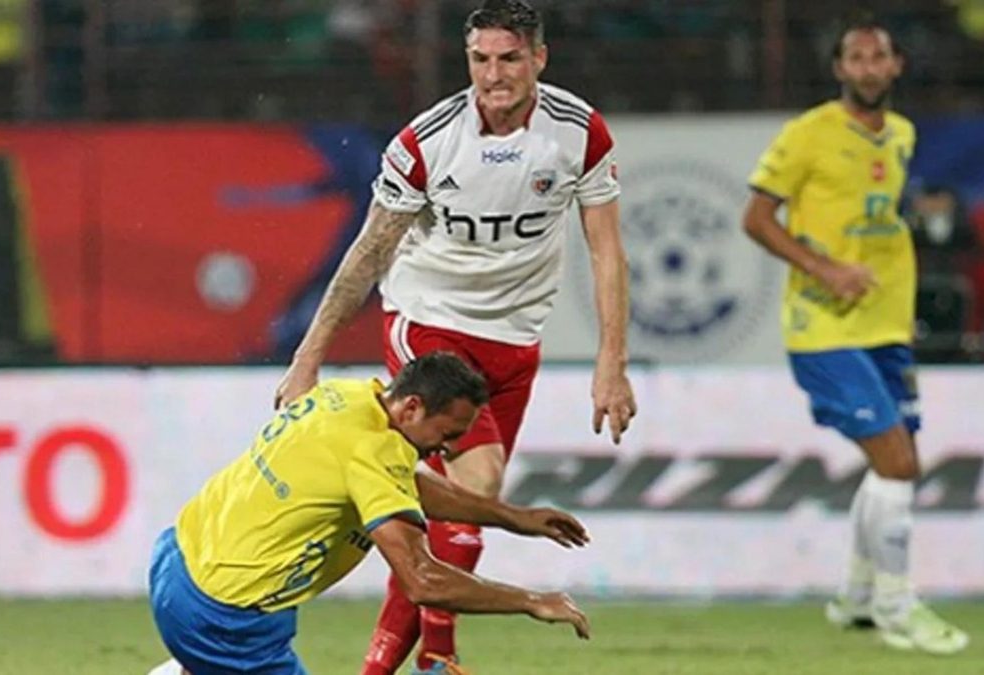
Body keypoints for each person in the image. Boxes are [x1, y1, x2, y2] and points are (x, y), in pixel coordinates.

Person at [272, 1, 636, 672]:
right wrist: (307, 357)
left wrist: (611, 361)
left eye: (509, 58)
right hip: (429, 321)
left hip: (516, 340)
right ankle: (429, 658)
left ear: (539, 59)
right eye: (480, 59)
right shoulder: (427, 142)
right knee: (478, 484)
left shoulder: (578, 132)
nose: (493, 75)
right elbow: (369, 252)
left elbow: (607, 250)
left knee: (466, 509)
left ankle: (418, 660)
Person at [740, 15, 968, 654]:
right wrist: (826, 269)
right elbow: (756, 218)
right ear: (840, 69)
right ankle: (896, 606)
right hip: (824, 328)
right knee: (897, 462)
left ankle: (859, 597)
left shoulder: (901, 135)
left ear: (896, 66)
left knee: (894, 464)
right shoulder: (808, 134)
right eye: (857, 58)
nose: (869, 67)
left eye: (878, 57)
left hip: (886, 323)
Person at [147, 352, 592, 675]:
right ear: (412, 407)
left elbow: (405, 483)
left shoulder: (353, 397)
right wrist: (532, 601)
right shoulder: (375, 452)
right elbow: (423, 580)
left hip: (178, 558)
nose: (450, 447)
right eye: (447, 432)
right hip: (224, 616)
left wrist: (512, 517)